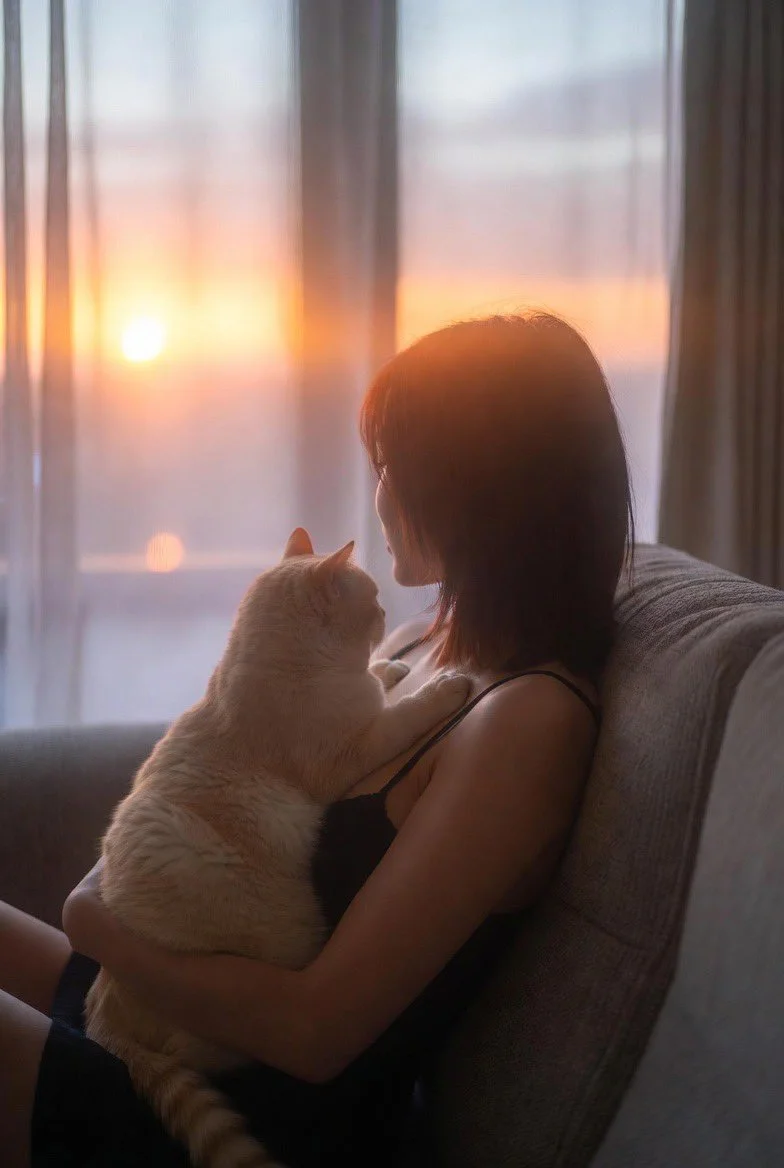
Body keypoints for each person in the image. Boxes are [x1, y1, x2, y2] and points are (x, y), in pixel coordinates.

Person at [0, 311, 633, 1167]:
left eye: (390, 466)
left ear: (474, 483)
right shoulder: (426, 641)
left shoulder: (532, 720)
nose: (378, 495)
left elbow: (316, 1030)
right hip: (177, 1029)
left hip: (241, 1114)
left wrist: (100, 927)